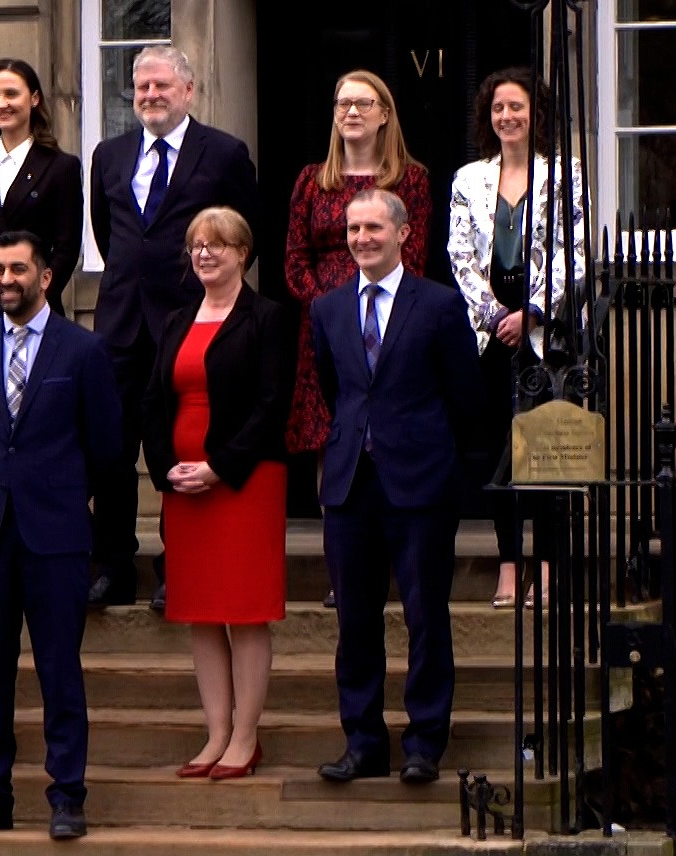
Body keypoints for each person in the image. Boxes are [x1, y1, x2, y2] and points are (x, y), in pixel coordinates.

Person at [0, 230, 121, 840]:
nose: (5, 279)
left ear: (46, 277)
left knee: (58, 671)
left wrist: (62, 494)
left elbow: (105, 447)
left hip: (56, 534)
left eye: (18, 268)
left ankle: (67, 795)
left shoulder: (83, 351)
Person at [310, 189, 483, 785]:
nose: (361, 238)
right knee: (356, 621)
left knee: (424, 616)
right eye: (354, 229)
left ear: (403, 233)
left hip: (422, 484)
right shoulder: (328, 310)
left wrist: (456, 475)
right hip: (351, 484)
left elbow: (466, 397)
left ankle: (425, 742)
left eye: (373, 228)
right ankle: (362, 743)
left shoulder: (437, 305)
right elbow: (338, 391)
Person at [88, 45, 259, 609]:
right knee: (111, 450)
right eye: (142, 87)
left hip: (187, 324)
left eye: (162, 86)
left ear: (188, 91)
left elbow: (242, 234)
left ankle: (176, 564)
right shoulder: (109, 155)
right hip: (118, 324)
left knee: (179, 444)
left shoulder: (225, 154)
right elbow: (110, 233)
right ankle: (113, 565)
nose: (151, 96)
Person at [142, 207, 293, 780]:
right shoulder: (177, 319)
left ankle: (246, 737)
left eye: (218, 245)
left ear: (243, 254)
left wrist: (218, 466)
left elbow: (270, 404)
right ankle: (216, 733)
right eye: (197, 246)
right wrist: (166, 468)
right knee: (201, 613)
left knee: (245, 613)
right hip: (184, 487)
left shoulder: (268, 317)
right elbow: (154, 401)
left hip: (244, 483)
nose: (205, 254)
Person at [285, 69, 429, 609]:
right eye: (342, 102)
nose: (350, 112)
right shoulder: (310, 180)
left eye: (363, 103)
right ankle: (341, 571)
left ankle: (391, 564)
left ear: (385, 113)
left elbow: (412, 258)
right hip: (325, 329)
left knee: (386, 435)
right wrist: (329, 307)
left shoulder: (410, 180)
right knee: (335, 442)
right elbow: (295, 259)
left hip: (388, 331)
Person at [447, 66, 585, 608]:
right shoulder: (467, 179)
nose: (508, 116)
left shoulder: (566, 175)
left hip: (543, 332)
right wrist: (493, 314)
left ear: (536, 115)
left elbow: (575, 253)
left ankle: (546, 568)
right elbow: (459, 255)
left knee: (544, 450)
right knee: (496, 454)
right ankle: (508, 566)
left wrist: (530, 311)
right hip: (489, 334)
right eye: (499, 108)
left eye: (517, 108)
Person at [0, 58, 83, 315]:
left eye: (11, 94)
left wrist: (39, 295)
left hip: (35, 306)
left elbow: (67, 247)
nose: (1, 104)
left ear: (34, 99)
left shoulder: (60, 166)